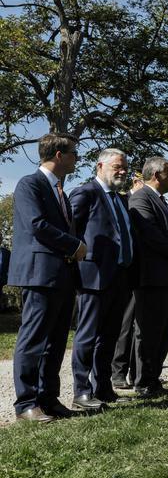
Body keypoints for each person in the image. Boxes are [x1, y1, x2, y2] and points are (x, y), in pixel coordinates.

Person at [9, 133, 87, 422]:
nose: (76, 158)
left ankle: (48, 399)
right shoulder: (30, 184)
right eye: (73, 153)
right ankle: (26, 404)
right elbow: (36, 225)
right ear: (58, 155)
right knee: (33, 339)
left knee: (55, 341)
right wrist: (75, 245)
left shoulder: (61, 190)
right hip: (39, 273)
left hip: (62, 274)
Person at [68, 147, 135, 410]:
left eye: (125, 168)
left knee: (109, 336)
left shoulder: (119, 199)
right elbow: (70, 230)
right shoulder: (86, 192)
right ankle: (81, 392)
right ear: (99, 167)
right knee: (87, 336)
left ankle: (103, 387)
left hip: (119, 276)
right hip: (93, 276)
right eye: (117, 167)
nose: (122, 172)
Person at [129, 156, 168, 397]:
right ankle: (142, 381)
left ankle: (153, 378)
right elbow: (149, 233)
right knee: (148, 331)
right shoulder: (140, 198)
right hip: (151, 277)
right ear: (156, 175)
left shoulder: (161, 201)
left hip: (167, 277)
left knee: (163, 331)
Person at [111, 172, 145, 390]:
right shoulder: (123, 200)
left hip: (140, 271)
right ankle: (118, 372)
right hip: (123, 271)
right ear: (137, 182)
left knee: (139, 326)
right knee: (125, 325)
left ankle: (136, 371)